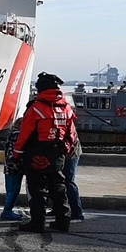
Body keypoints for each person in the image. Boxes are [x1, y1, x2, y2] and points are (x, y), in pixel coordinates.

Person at [13, 73, 78, 232]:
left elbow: (24, 134)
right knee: (58, 187)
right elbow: (72, 134)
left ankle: (37, 222)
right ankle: (63, 221)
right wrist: (66, 151)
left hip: (37, 153)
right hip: (57, 153)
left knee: (36, 189)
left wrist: (16, 155)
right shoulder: (66, 107)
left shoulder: (36, 107)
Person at [0, 117, 26, 221]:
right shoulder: (18, 134)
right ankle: (7, 211)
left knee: (10, 189)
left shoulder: (11, 133)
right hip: (15, 166)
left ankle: (8, 210)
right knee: (14, 190)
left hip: (8, 165)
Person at [63, 139, 84, 220]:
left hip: (70, 152)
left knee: (69, 182)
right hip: (65, 151)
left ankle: (77, 213)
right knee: (58, 182)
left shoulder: (66, 126)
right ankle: (59, 209)